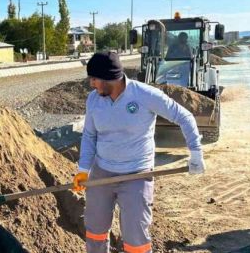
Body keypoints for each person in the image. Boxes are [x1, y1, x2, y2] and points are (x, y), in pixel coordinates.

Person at [72, 51, 205, 253]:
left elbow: (184, 116)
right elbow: (90, 136)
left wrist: (195, 152)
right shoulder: (94, 100)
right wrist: (83, 169)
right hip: (102, 172)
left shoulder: (144, 95)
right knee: (95, 231)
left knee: (136, 240)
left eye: (94, 79)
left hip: (137, 175)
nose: (92, 84)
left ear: (110, 78)